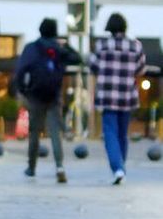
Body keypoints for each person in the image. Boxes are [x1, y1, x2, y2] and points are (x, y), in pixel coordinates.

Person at [13, 18, 80, 183]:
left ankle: (31, 167)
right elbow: (77, 58)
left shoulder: (32, 48)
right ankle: (59, 166)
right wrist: (66, 45)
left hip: (35, 95)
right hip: (54, 95)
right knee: (55, 132)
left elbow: (21, 70)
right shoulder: (58, 48)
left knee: (34, 132)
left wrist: (22, 90)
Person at [90, 12, 146, 184]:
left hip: (107, 96)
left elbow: (93, 66)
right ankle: (121, 167)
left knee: (110, 133)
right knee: (122, 134)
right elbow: (141, 70)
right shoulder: (135, 46)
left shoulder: (101, 45)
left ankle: (117, 168)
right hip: (127, 96)